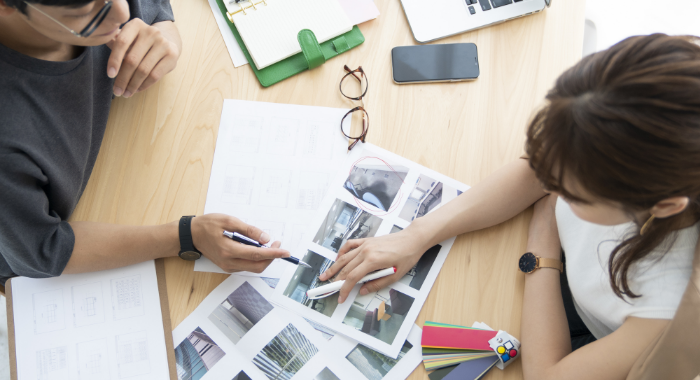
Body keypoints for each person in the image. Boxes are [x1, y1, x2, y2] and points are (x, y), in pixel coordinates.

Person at [320, 34, 700, 379]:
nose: (549, 181)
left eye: (571, 189)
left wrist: (542, 243)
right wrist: (418, 234)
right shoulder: (645, 100)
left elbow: (547, 375)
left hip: (575, 329)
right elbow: (535, 172)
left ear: (664, 205)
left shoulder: (672, 311)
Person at [0, 0, 289, 285]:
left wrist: (164, 39)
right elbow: (43, 251)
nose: (123, 13)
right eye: (89, 10)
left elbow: (156, 15)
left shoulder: (99, 13)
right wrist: (188, 236)